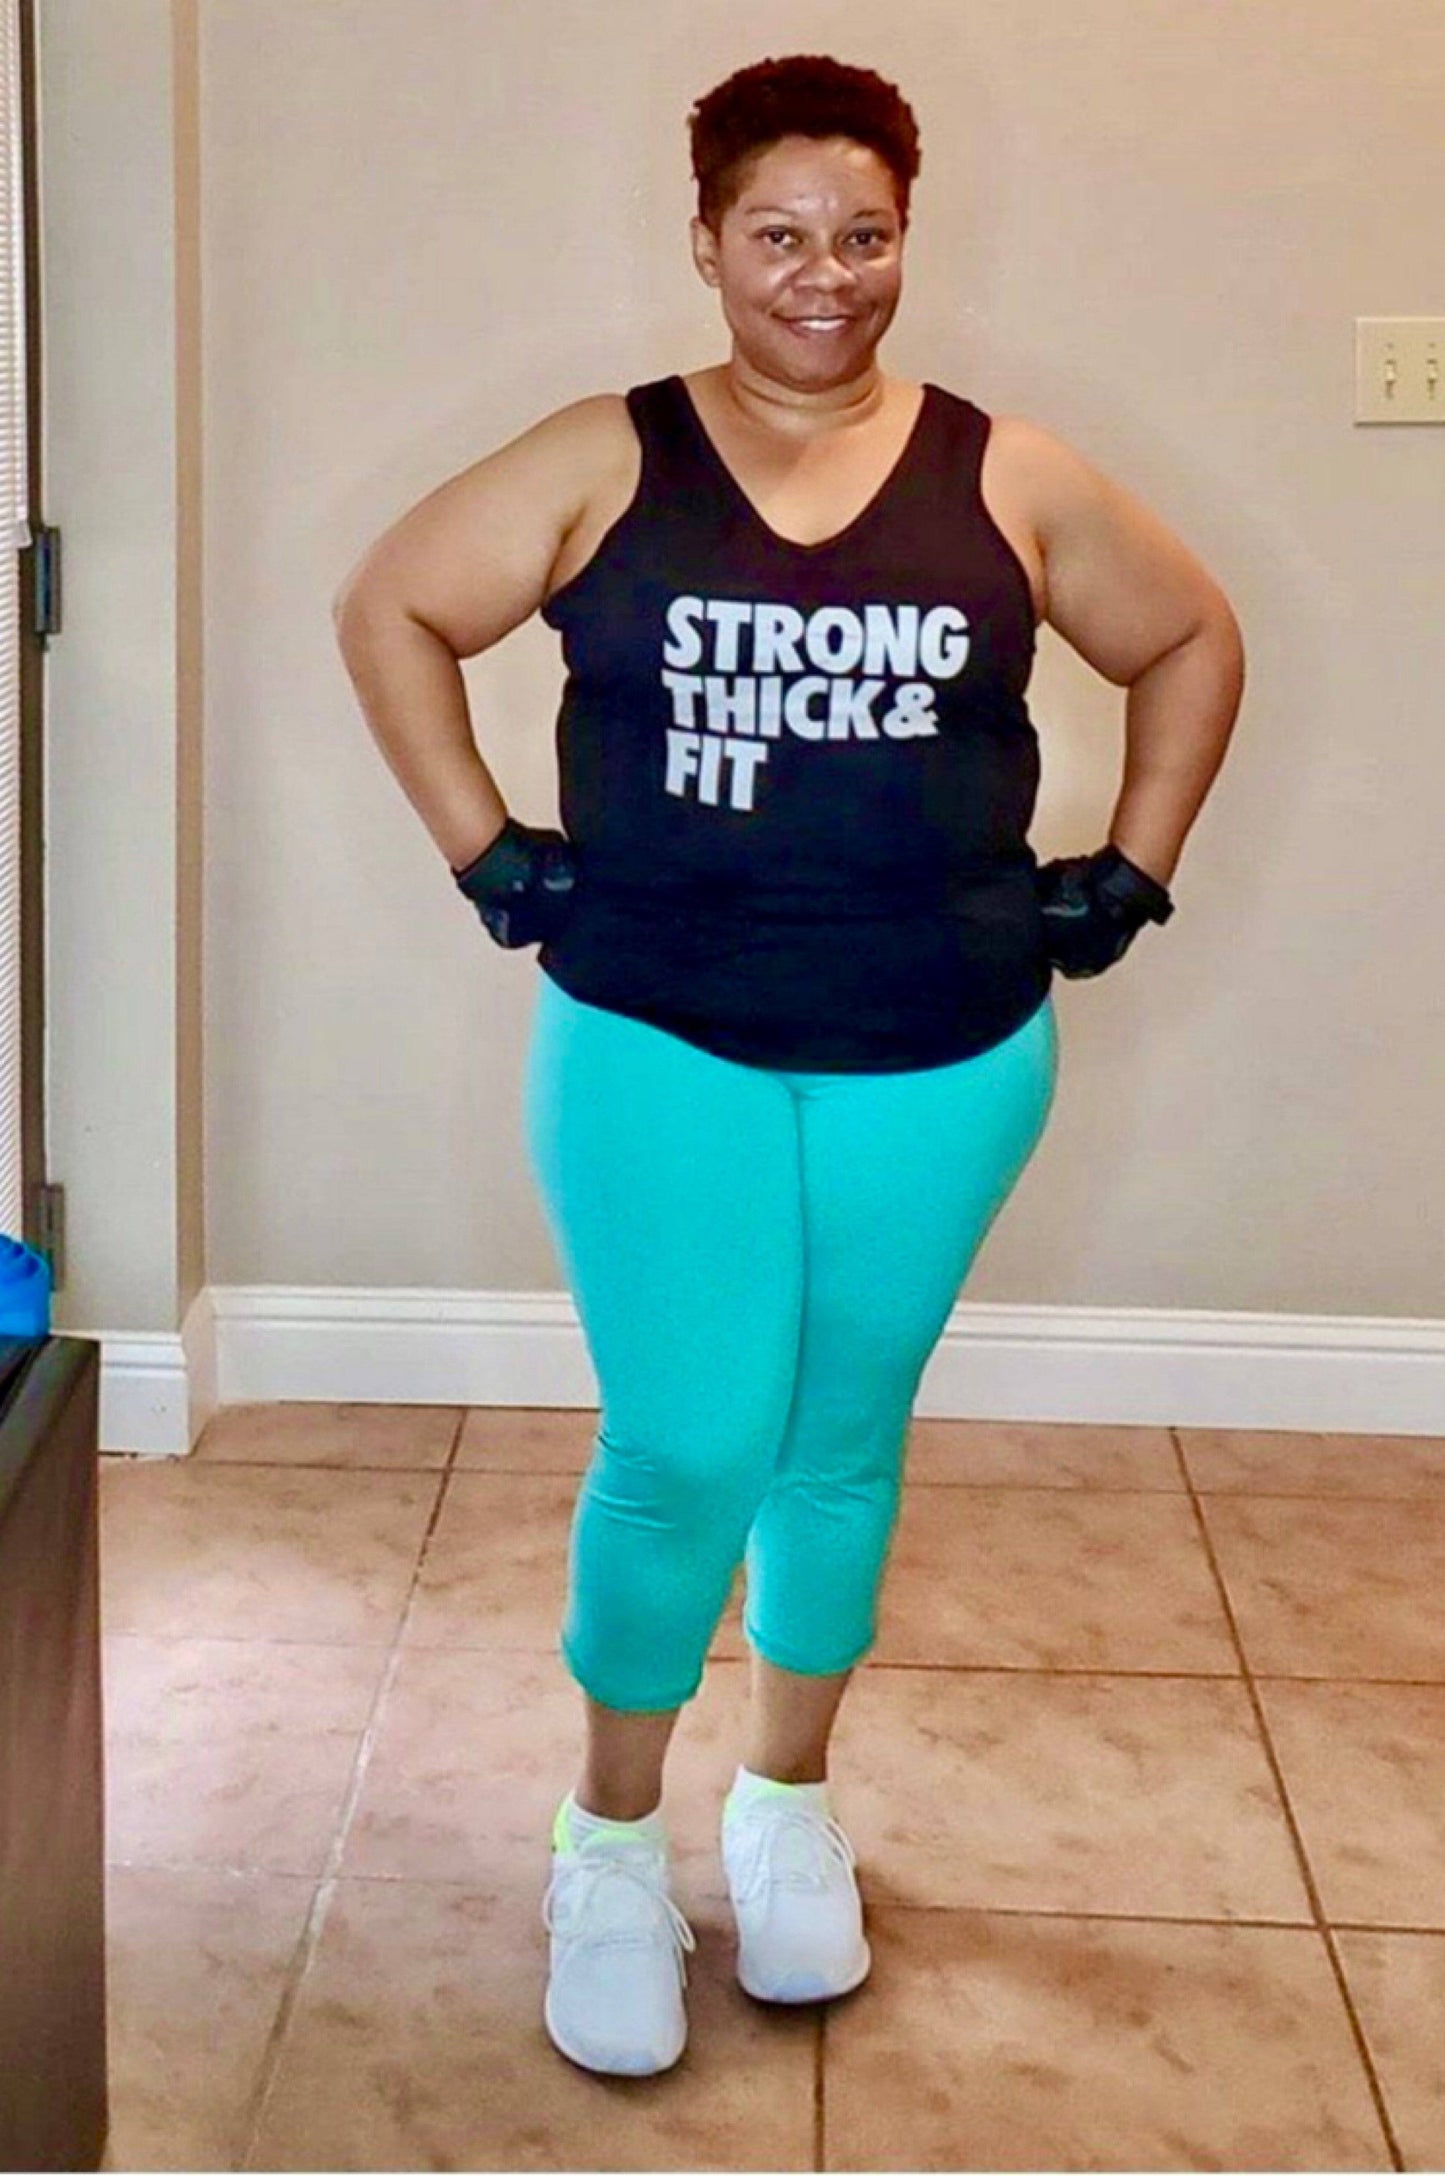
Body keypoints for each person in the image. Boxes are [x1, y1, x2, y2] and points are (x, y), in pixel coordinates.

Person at [332, 53, 1245, 2080]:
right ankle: (609, 1828)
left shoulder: (1006, 472)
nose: (825, 275)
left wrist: (1136, 872)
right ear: (706, 244)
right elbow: (392, 602)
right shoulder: (610, 455)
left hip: (951, 1046)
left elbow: (1188, 636)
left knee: (840, 1437)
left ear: (903, 238)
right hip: (661, 1033)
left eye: (864, 234)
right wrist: (487, 846)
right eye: (779, 235)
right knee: (685, 1442)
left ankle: (789, 1797)